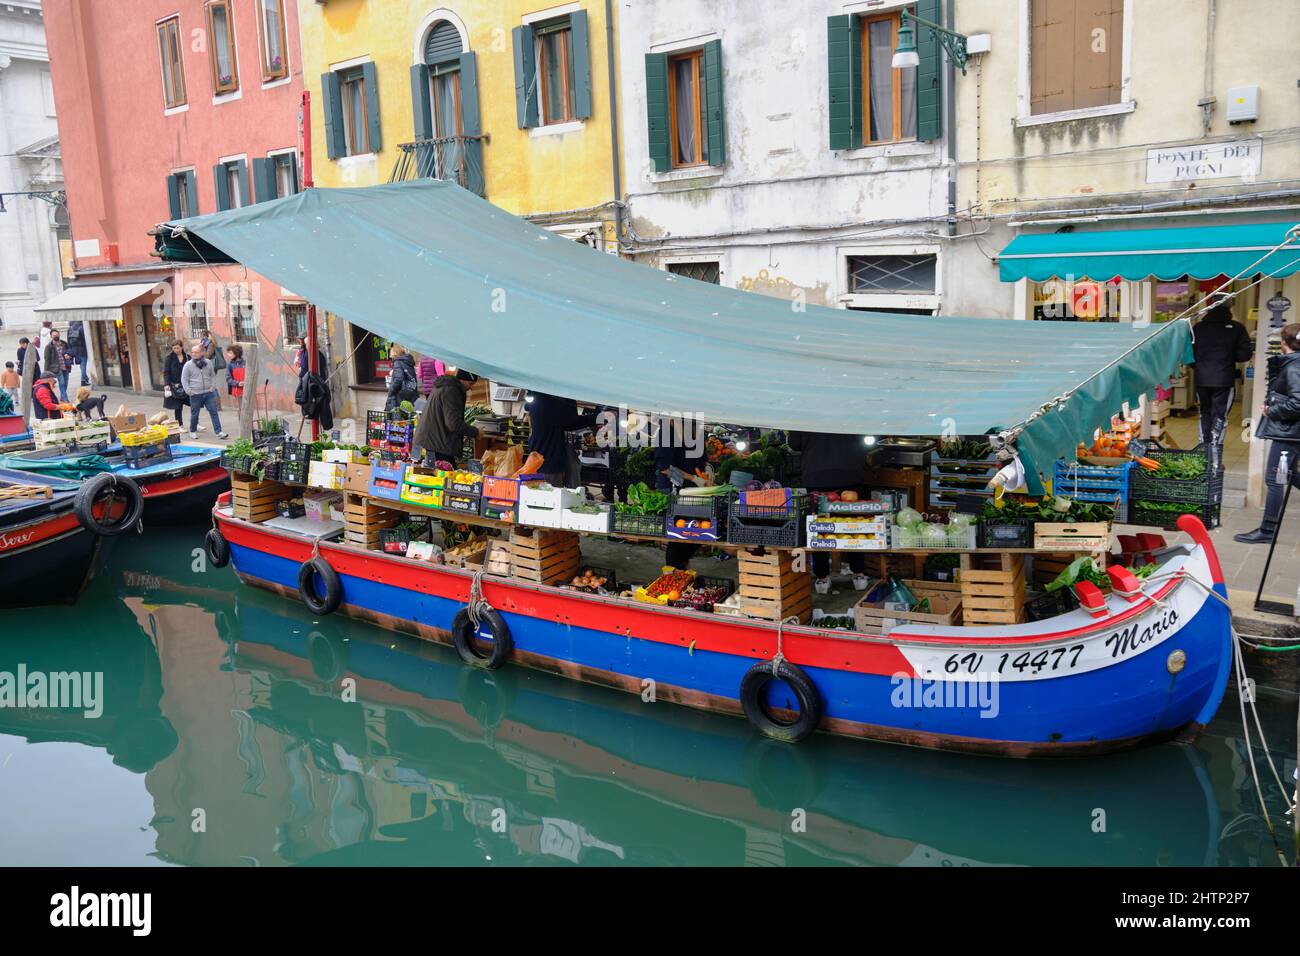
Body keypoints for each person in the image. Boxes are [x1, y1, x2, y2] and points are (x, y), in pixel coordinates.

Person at [1234, 323, 1300, 544]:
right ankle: (1268, 529)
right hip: (1290, 433)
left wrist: (1272, 410)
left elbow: (1297, 403)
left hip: (1287, 435)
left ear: (1284, 343)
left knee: (1275, 479)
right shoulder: (1294, 364)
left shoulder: (1293, 368)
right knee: (1289, 475)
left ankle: (1268, 530)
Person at [789, 431, 870, 592]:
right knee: (854, 524)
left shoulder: (803, 410)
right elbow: (867, 441)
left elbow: (794, 443)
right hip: (850, 473)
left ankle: (822, 579)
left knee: (820, 528)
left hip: (816, 476)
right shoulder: (854, 407)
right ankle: (858, 574)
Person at [1191, 303, 1252, 451]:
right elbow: (1245, 355)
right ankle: (1215, 452)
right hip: (1224, 379)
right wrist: (1229, 357)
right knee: (1220, 416)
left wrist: (1199, 367)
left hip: (1202, 379)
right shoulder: (1237, 328)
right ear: (1229, 311)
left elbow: (1188, 354)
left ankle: (1203, 450)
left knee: (1204, 413)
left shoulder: (1198, 328)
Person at [526, 392, 599, 486]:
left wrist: (598, 418)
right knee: (552, 496)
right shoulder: (548, 404)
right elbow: (572, 419)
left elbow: (570, 423)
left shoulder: (539, 401)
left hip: (543, 461)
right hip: (549, 464)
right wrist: (570, 396)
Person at [414, 369, 479, 464]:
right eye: (470, 383)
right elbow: (453, 424)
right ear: (463, 380)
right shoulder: (452, 391)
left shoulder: (445, 387)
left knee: (428, 475)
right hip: (436, 445)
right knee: (443, 476)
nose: (471, 388)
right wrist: (476, 432)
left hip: (429, 441)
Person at [181, 343, 228, 439]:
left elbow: (213, 375)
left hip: (208, 393)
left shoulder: (208, 363)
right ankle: (193, 431)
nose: (194, 354)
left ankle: (219, 432)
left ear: (201, 353)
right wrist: (189, 391)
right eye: (192, 352)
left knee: (214, 412)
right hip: (195, 394)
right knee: (195, 413)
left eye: (196, 352)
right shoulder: (188, 365)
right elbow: (184, 379)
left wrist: (213, 387)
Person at [385, 344, 419, 412]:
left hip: (400, 395)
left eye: (392, 356)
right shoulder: (408, 361)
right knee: (408, 416)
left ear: (394, 354)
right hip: (411, 393)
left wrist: (391, 391)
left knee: (397, 417)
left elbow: (398, 379)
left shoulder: (398, 362)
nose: (391, 358)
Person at [162, 340, 189, 426]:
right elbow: (166, 372)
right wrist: (167, 384)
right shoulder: (169, 358)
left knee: (194, 404)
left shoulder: (187, 357)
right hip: (175, 386)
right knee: (178, 407)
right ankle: (180, 425)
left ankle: (196, 423)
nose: (176, 350)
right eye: (174, 348)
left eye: (178, 348)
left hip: (187, 385)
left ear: (182, 347)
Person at [42, 328, 71, 402]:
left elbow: (70, 352)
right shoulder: (49, 347)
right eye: (54, 335)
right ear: (51, 336)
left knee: (66, 383)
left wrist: (70, 357)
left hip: (66, 366)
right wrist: (46, 371)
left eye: (57, 334)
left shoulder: (64, 344)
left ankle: (62, 396)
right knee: (62, 383)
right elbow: (47, 359)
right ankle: (65, 399)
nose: (56, 336)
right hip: (56, 368)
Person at [65, 319, 92, 388]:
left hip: (74, 349)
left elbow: (68, 340)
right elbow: (85, 339)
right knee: (83, 364)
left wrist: (70, 350)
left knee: (81, 364)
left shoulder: (70, 328)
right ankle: (83, 380)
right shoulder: (82, 328)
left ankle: (85, 377)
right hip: (82, 349)